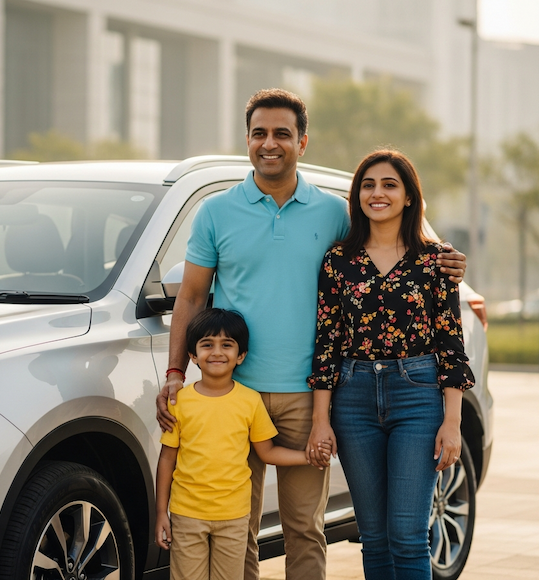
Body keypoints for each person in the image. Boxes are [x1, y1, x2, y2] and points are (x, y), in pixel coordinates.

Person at [156, 88, 467, 580]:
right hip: (235, 394)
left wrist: (447, 259)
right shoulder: (216, 212)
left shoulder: (333, 213)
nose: (270, 143)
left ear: (303, 141)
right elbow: (191, 298)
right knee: (238, 527)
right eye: (259, 133)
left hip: (311, 393)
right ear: (248, 139)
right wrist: (176, 372)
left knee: (304, 528)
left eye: (282, 133)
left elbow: (391, 241)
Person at [308, 149, 475, 579]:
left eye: (389, 184)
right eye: (368, 184)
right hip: (353, 397)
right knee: (374, 538)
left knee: (407, 535)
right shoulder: (338, 260)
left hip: (417, 395)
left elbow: (450, 344)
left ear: (408, 197)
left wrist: (452, 422)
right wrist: (321, 420)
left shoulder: (436, 260)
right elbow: (327, 342)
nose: (377, 193)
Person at [155, 308, 330, 580]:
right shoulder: (179, 402)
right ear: (192, 355)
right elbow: (167, 459)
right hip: (186, 515)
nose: (216, 352)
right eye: (206, 345)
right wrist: (161, 513)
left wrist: (308, 457)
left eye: (227, 345)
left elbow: (267, 452)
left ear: (241, 356)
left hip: (234, 518)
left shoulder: (250, 401)